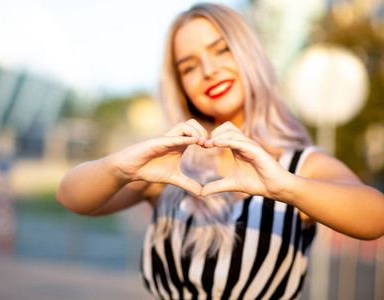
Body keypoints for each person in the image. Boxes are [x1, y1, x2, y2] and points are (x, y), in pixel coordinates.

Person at [57, 3, 384, 299]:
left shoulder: (301, 164)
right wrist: (118, 167)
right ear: (180, 84)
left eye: (222, 50)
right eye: (189, 67)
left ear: (249, 54)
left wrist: (284, 186)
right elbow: (71, 198)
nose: (208, 70)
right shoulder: (170, 165)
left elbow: (376, 216)